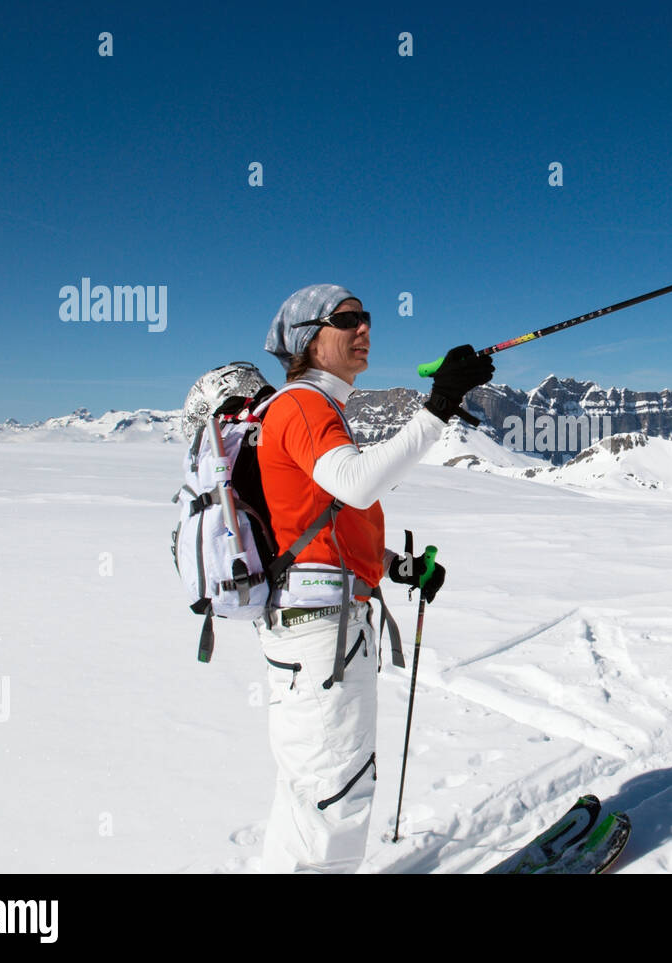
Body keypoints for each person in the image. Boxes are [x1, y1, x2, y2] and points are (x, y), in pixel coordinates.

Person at [255, 283, 493, 872]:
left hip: (321, 626)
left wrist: (393, 566)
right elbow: (359, 483)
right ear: (309, 340)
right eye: (347, 319)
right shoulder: (303, 405)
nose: (364, 328)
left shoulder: (317, 408)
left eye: (366, 318)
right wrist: (438, 406)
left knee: (315, 792)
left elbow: (323, 523)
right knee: (336, 794)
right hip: (321, 636)